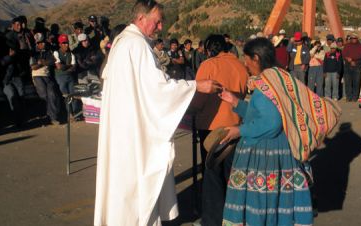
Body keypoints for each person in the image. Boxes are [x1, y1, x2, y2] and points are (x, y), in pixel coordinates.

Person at [93, 1, 222, 225]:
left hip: (124, 126)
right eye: (158, 21)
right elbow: (157, 89)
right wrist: (196, 86)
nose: (161, 27)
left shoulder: (124, 42)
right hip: (134, 130)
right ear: (141, 19)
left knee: (123, 182)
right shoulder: (137, 45)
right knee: (137, 181)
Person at [218, 38, 339, 225]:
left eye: (246, 58)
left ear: (256, 58)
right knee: (278, 201)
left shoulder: (267, 82)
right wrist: (235, 102)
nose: (245, 63)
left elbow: (271, 122)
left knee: (263, 201)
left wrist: (239, 130)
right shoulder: (279, 77)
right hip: (281, 150)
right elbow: (261, 114)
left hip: (266, 154)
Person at [190, 34, 248, 226]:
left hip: (211, 127)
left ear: (209, 50)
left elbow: (199, 98)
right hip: (235, 125)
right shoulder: (240, 65)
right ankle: (233, 217)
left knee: (212, 176)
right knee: (232, 175)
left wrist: (190, 110)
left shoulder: (209, 65)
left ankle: (212, 221)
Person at [30, 33, 61, 124]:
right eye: (40, 42)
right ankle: (48, 115)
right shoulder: (33, 53)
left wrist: (41, 62)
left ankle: (53, 117)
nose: (42, 44)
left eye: (43, 42)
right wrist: (42, 63)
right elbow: (33, 67)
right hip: (37, 75)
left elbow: (53, 61)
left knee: (52, 94)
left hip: (47, 75)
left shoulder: (48, 51)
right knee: (44, 95)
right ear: (37, 43)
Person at [53, 34, 81, 119]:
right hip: (60, 77)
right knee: (66, 96)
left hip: (70, 77)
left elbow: (73, 68)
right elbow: (59, 67)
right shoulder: (56, 53)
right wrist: (68, 66)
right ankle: (69, 113)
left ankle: (76, 113)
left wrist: (65, 66)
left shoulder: (71, 54)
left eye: (67, 43)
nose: (66, 45)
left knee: (73, 95)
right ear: (60, 44)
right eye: (64, 43)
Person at [342, 33, 361, 102]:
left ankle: (355, 97)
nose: (353, 39)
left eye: (354, 38)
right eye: (351, 38)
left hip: (357, 65)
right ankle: (348, 97)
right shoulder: (347, 46)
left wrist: (353, 60)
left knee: (356, 82)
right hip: (348, 65)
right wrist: (348, 59)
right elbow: (343, 54)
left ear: (357, 39)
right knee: (348, 82)